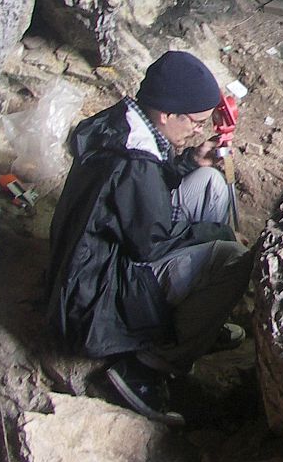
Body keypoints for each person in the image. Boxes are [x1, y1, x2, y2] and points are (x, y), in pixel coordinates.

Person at [46, 50, 252, 425]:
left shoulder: (124, 124)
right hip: (92, 302)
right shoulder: (132, 164)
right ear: (167, 114)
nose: (198, 130)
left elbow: (144, 197)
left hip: (96, 264)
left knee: (209, 183)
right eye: (195, 121)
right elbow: (153, 243)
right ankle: (148, 365)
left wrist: (189, 163)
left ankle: (198, 320)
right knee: (233, 258)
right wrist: (221, 233)